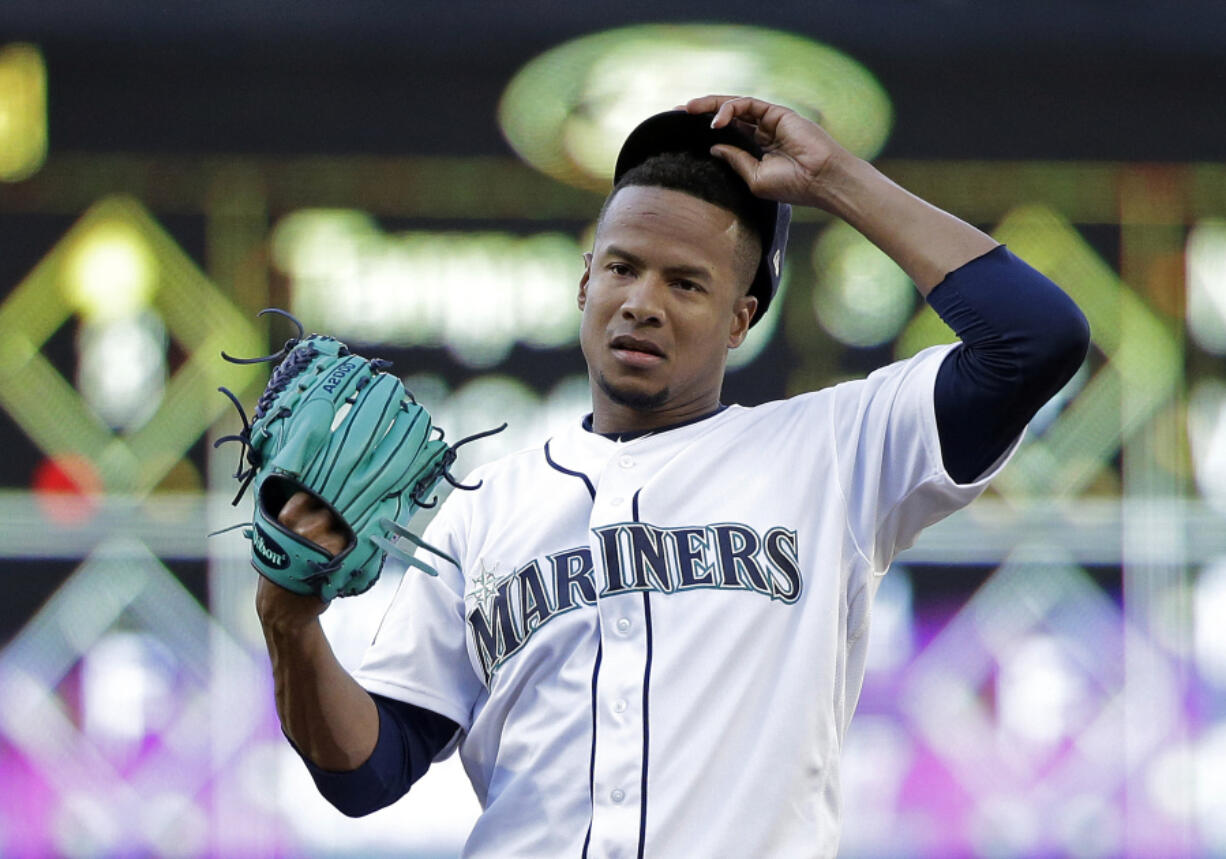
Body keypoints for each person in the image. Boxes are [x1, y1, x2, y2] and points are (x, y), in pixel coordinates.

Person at [256, 95, 1090, 857]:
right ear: (585, 281)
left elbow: (1036, 339)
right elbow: (367, 770)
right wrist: (289, 618)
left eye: (685, 282)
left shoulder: (835, 451)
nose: (641, 301)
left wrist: (835, 180)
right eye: (621, 267)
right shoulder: (487, 509)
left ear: (741, 321)